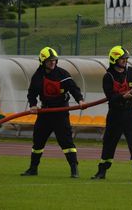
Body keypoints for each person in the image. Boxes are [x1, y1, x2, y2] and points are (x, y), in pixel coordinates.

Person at [21, 47, 84, 178]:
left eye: (54, 60)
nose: (53, 63)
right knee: (38, 141)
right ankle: (33, 169)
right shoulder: (37, 76)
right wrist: (33, 105)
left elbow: (73, 88)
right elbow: (32, 93)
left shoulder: (62, 74)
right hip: (44, 113)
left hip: (61, 112)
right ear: (43, 61)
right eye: (50, 61)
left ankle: (74, 169)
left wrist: (80, 100)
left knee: (66, 142)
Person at [91, 45, 132, 181]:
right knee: (109, 143)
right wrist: (124, 96)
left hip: (130, 114)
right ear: (114, 59)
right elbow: (111, 97)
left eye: (126, 59)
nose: (125, 61)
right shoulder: (108, 77)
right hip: (115, 114)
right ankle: (102, 171)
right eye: (122, 59)